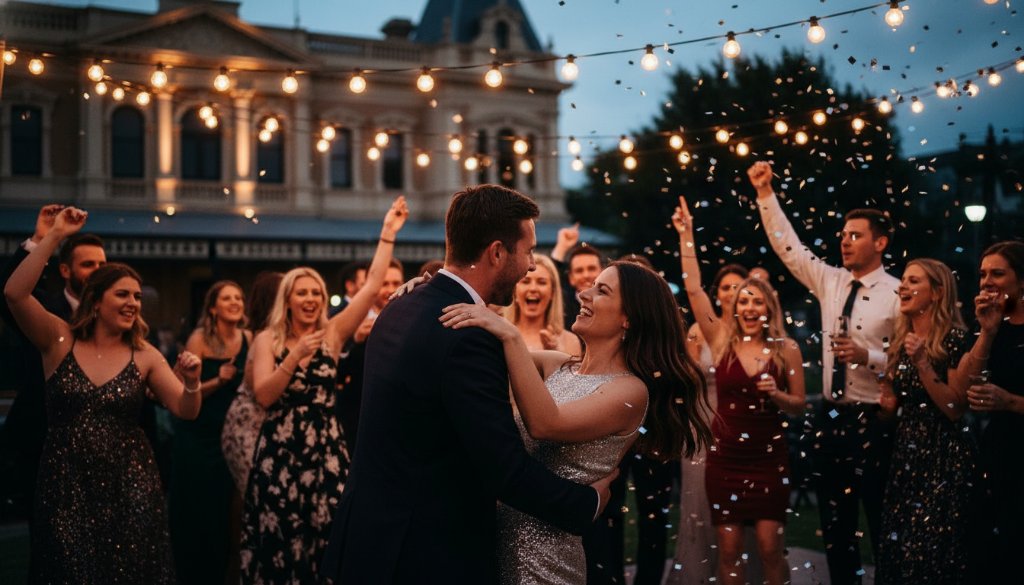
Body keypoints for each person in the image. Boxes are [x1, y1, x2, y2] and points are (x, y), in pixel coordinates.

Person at [321, 184, 619, 584]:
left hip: (369, 540)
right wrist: (588, 501)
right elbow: (504, 469)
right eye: (528, 251)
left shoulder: (402, 303)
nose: (532, 266)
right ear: (497, 252)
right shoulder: (467, 335)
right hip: (422, 554)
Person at [439, 260, 712, 585]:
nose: (583, 294)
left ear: (628, 318)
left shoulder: (630, 391)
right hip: (495, 543)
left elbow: (545, 424)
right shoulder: (559, 366)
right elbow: (480, 353)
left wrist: (511, 335)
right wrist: (429, 297)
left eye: (602, 290)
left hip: (545, 562)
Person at [3, 206, 202, 583]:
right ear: (96, 301)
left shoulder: (144, 354)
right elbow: (14, 294)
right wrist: (54, 236)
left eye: (138, 297)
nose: (133, 303)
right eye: (122, 294)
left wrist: (191, 383)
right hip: (66, 487)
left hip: (131, 487)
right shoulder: (58, 340)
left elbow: (185, 409)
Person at [239, 197, 407, 583]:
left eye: (316, 292)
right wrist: (295, 355)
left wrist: (387, 235)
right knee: (282, 538)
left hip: (325, 446)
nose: (311, 299)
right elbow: (264, 395)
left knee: (331, 534)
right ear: (288, 300)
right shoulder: (267, 339)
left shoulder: (332, 333)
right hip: (281, 449)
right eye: (303, 293)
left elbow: (371, 288)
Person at [748, 160, 899, 585]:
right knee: (835, 528)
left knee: (881, 524)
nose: (845, 242)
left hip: (874, 420)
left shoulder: (897, 294)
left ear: (881, 242)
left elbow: (908, 364)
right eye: (843, 235)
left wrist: (869, 356)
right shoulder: (831, 281)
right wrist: (765, 194)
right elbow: (789, 247)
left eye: (856, 235)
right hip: (831, 417)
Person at [675, 196, 805, 585]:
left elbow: (799, 405)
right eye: (743, 301)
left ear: (769, 308)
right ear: (735, 308)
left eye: (757, 302)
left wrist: (778, 397)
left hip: (768, 461)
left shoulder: (787, 350)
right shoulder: (720, 340)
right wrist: (686, 236)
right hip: (725, 460)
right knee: (728, 553)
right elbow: (694, 289)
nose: (749, 307)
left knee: (769, 549)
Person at [0, 204, 106, 523]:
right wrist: (42, 239)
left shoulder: (115, 316)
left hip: (99, 451)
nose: (97, 271)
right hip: (44, 443)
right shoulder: (46, 307)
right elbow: (11, 294)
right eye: (88, 264)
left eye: (102, 264)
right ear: (65, 271)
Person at [874, 259, 974, 583]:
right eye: (902, 280)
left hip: (944, 457)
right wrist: (888, 405)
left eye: (913, 281)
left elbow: (954, 407)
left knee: (933, 552)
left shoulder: (955, 341)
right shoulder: (901, 339)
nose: (902, 286)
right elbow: (896, 409)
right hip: (907, 455)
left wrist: (921, 362)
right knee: (899, 548)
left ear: (937, 293)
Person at [668, 263, 763, 585]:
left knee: (741, 513)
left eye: (739, 288)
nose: (732, 293)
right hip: (703, 425)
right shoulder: (699, 330)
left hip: (742, 431)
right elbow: (686, 382)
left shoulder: (754, 336)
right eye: (725, 288)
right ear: (717, 294)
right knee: (700, 506)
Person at [171, 280, 252, 585]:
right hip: (199, 434)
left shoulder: (249, 337)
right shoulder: (198, 340)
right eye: (227, 298)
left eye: (239, 297)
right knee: (200, 509)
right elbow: (181, 390)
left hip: (233, 436)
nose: (235, 302)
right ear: (214, 307)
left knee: (227, 510)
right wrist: (218, 380)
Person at [961, 241, 1024, 583]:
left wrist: (1010, 402)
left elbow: (1005, 397)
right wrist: (987, 331)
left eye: (998, 273)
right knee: (987, 557)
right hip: (997, 453)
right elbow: (966, 385)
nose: (987, 281)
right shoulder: (993, 325)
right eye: (983, 274)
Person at [336, 259, 405, 455]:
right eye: (384, 283)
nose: (390, 289)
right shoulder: (350, 321)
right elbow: (338, 374)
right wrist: (356, 341)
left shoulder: (411, 318)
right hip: (358, 424)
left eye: (395, 283)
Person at [505, 253, 581, 355]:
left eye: (541, 282)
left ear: (552, 293)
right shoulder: (500, 336)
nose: (533, 288)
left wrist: (556, 353)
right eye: (526, 281)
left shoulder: (570, 341)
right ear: (514, 291)